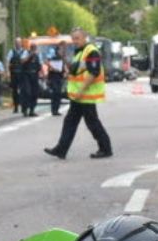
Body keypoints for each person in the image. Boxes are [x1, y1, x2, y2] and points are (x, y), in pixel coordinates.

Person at [45, 27, 112, 160]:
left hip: (86, 95)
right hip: (79, 96)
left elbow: (94, 72)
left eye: (77, 38)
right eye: (73, 39)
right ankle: (61, 149)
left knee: (92, 122)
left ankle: (105, 148)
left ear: (84, 37)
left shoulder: (91, 51)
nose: (74, 41)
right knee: (70, 121)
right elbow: (75, 70)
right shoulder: (79, 52)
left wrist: (81, 90)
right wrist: (63, 57)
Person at [44, 48, 65, 117]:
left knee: (59, 93)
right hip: (53, 77)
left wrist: (65, 72)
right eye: (60, 51)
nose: (61, 52)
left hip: (59, 77)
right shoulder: (53, 57)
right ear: (57, 51)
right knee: (55, 92)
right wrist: (52, 67)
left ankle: (57, 109)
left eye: (62, 51)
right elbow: (46, 62)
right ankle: (53, 110)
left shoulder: (62, 59)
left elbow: (63, 68)